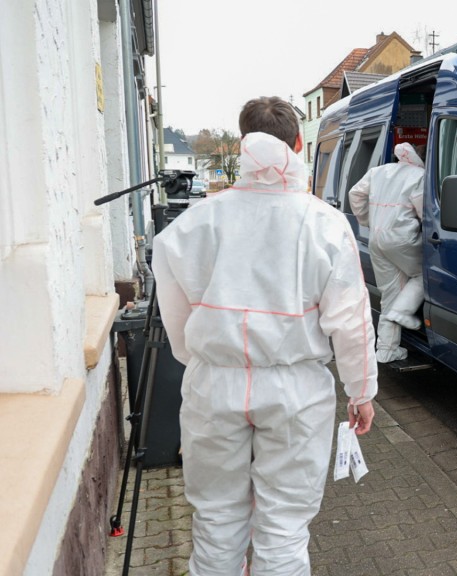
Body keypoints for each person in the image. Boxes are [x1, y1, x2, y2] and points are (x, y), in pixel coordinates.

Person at [151, 95, 378, 575]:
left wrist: (201, 359)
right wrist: (361, 391)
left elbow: (175, 311)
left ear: (243, 146)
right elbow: (351, 318)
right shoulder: (325, 225)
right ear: (298, 145)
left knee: (215, 521)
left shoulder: (196, 223)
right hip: (295, 390)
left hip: (215, 384)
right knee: (283, 528)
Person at [348, 142, 426, 363]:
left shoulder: (379, 171)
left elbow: (355, 193)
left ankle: (386, 349)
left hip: (376, 238)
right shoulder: (419, 175)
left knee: (390, 292)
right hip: (402, 239)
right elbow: (425, 213)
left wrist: (367, 220)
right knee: (424, 275)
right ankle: (402, 311)